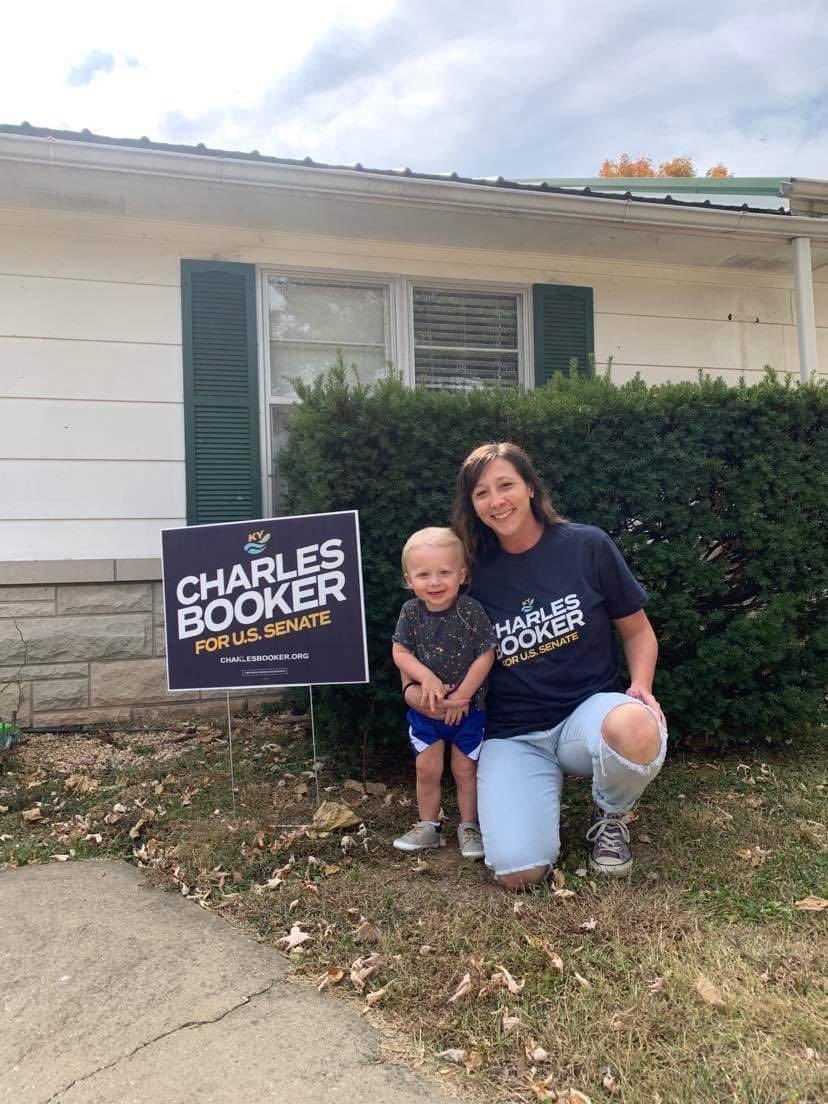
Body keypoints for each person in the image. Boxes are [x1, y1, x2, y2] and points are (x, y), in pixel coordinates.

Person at [403, 443, 667, 889]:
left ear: (529, 487)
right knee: (518, 872)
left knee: (635, 727)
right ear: (472, 504)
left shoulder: (587, 546)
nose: (496, 500)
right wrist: (416, 692)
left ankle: (610, 813)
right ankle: (533, 807)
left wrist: (641, 685)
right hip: (513, 732)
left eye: (505, 485)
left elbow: (638, 631)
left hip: (586, 715)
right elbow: (424, 640)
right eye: (481, 493)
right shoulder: (468, 571)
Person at [392, 527, 497, 859]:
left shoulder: (470, 610)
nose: (434, 582)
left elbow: (486, 654)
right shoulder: (410, 613)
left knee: (465, 770)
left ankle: (470, 826)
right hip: (426, 712)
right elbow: (400, 652)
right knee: (427, 769)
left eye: (444, 573)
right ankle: (428, 825)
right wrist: (426, 678)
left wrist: (463, 695)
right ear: (409, 579)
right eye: (424, 574)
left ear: (461, 575)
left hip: (468, 711)